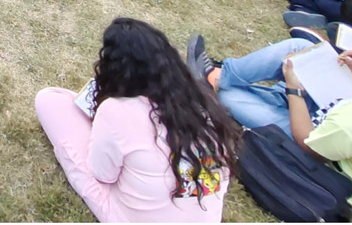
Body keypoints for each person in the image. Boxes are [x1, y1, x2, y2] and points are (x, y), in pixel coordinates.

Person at [37, 18, 239, 222]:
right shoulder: (204, 101)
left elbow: (102, 174)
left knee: (50, 100)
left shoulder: (118, 110)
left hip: (131, 216)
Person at [189, 33, 352, 208]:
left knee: (231, 97)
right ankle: (219, 76)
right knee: (300, 49)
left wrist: (294, 91)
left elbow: (308, 143)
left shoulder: (347, 125)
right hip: (336, 107)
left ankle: (218, 78)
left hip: (319, 143)